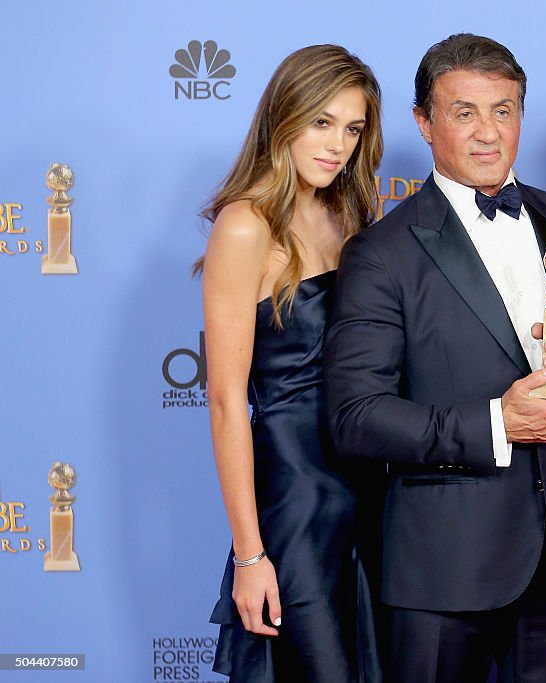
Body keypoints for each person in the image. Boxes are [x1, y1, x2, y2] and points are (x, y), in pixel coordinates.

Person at [323, 33, 546, 683]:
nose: (487, 132)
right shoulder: (382, 253)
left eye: (503, 111)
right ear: (424, 123)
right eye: (464, 112)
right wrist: (499, 422)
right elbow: (355, 417)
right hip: (442, 571)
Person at [199, 44, 384, 682]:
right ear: (283, 117)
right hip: (296, 500)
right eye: (322, 122)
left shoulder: (347, 213)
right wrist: (250, 556)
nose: (338, 145)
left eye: (353, 129)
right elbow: (226, 402)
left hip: (368, 485)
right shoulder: (245, 225)